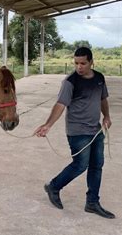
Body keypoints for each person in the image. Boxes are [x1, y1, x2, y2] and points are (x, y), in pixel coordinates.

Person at [34, 47, 115, 219]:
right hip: (78, 131)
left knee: (96, 165)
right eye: (76, 63)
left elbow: (103, 99)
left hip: (96, 130)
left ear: (92, 62)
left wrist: (106, 116)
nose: (79, 67)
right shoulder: (70, 81)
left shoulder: (99, 78)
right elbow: (60, 104)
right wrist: (48, 124)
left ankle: (92, 203)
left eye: (83, 63)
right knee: (80, 165)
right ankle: (54, 186)